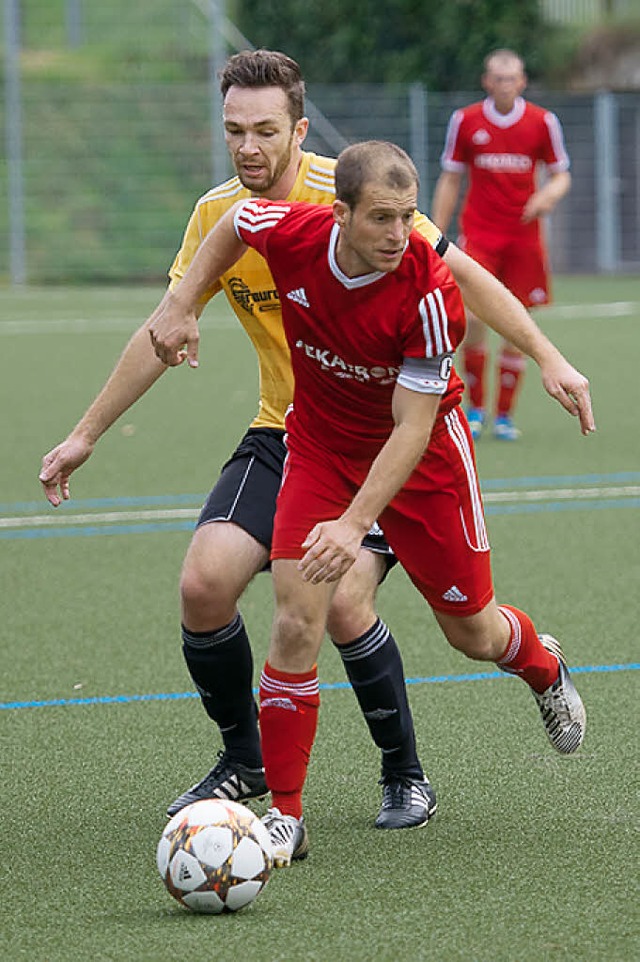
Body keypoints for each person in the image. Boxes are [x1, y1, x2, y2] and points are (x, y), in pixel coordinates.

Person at [148, 140, 594, 868]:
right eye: (382, 219)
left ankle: (542, 665)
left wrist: (355, 524)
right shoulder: (290, 233)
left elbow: (413, 427)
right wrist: (179, 301)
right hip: (320, 447)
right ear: (339, 215)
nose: (400, 235)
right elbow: (233, 227)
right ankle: (286, 817)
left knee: (473, 633)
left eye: (409, 217)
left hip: (423, 460)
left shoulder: (428, 291)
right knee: (297, 618)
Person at [39, 50, 455, 832]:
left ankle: (405, 772)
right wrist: (83, 435)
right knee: (204, 585)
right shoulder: (218, 214)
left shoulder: (359, 197)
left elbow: (447, 274)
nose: (248, 147)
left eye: (265, 130)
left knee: (341, 602)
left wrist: (542, 354)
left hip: (377, 438)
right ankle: (246, 757)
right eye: (234, 131)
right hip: (286, 431)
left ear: (299, 129)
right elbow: (164, 325)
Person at [431, 48, 572, 441]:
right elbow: (450, 178)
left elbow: (562, 175)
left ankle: (504, 416)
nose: (505, 84)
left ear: (522, 82)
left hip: (524, 239)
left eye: (512, 78)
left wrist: (548, 196)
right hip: (479, 234)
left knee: (516, 324)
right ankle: (475, 409)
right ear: (487, 81)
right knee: (475, 318)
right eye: (498, 78)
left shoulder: (543, 122)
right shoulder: (466, 121)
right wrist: (436, 233)